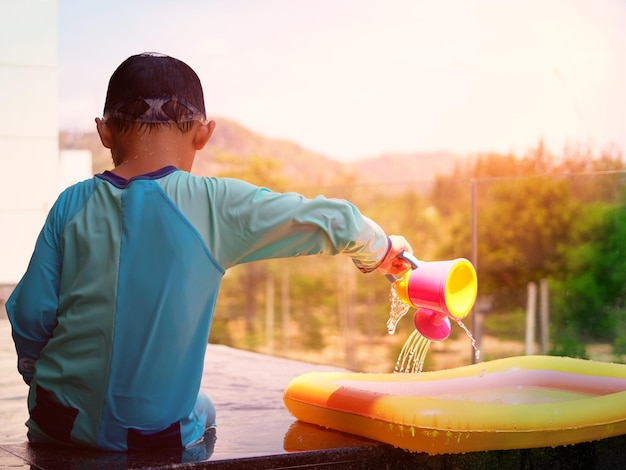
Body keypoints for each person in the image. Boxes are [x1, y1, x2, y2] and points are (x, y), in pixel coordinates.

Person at [6, 52, 414, 452]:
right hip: (155, 434)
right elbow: (333, 220)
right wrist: (380, 249)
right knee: (206, 408)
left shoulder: (70, 203)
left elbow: (30, 313)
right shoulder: (213, 203)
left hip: (55, 422)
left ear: (104, 132)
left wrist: (38, 379)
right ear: (204, 133)